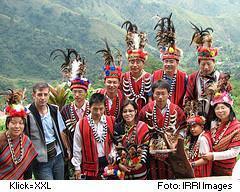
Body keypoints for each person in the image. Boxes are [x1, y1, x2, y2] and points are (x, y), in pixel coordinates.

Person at [139, 79, 187, 179]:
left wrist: (176, 140)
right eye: (157, 93)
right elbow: (140, 128)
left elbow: (183, 128)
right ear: (153, 94)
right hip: (151, 151)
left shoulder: (176, 110)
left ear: (168, 94)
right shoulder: (146, 109)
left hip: (172, 150)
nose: (160, 97)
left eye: (163, 94)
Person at [25, 82, 69, 180]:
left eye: (45, 94)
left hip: (57, 156)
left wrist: (66, 151)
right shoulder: (27, 113)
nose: (43, 97)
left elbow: (61, 132)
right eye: (39, 94)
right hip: (41, 161)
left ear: (49, 95)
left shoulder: (54, 110)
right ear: (33, 95)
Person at [60, 50, 91, 179]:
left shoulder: (93, 108)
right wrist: (67, 149)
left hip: (92, 152)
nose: (77, 95)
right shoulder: (65, 110)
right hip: (73, 153)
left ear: (86, 92)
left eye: (80, 92)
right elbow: (63, 131)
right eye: (75, 92)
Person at [71, 93, 115, 179]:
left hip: (108, 163)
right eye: (95, 109)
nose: (98, 112)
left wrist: (113, 155)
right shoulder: (81, 124)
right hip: (89, 166)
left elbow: (114, 142)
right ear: (89, 107)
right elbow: (77, 146)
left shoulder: (111, 121)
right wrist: (77, 167)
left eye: (101, 109)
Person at [152, 13, 187, 109]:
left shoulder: (184, 77)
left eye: (171, 61)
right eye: (166, 61)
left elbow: (187, 98)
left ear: (177, 62)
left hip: (177, 114)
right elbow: (150, 96)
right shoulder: (155, 75)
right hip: (157, 112)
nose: (168, 64)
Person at [184, 24, 220, 117]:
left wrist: (217, 91)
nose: (206, 67)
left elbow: (226, 99)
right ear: (198, 64)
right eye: (203, 64)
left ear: (214, 63)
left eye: (209, 64)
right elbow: (188, 97)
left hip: (216, 118)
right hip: (196, 118)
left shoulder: (220, 77)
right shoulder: (193, 77)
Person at [202, 92, 240, 176]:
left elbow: (234, 152)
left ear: (230, 108)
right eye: (217, 108)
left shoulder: (237, 127)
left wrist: (213, 155)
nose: (220, 111)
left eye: (223, 107)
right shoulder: (214, 124)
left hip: (227, 169)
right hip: (211, 166)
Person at [120, 21, 152, 112]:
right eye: (132, 62)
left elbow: (150, 99)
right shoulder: (124, 77)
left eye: (138, 62)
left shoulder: (149, 77)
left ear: (143, 63)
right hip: (127, 114)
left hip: (145, 113)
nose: (135, 65)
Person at [0, 104, 37, 179]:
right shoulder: (1, 140)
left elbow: (28, 166)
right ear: (7, 124)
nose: (17, 126)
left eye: (20, 123)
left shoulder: (26, 140)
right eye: (13, 123)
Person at [114, 100, 149, 180]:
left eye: (130, 111)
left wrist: (141, 163)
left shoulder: (142, 126)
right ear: (122, 113)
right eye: (125, 111)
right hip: (122, 171)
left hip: (140, 169)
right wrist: (120, 164)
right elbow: (116, 148)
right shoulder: (118, 128)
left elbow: (145, 147)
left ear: (136, 111)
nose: (127, 114)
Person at [96, 40, 123, 122]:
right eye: (109, 82)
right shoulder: (98, 95)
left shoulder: (122, 97)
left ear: (119, 83)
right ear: (104, 82)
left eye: (115, 82)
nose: (111, 85)